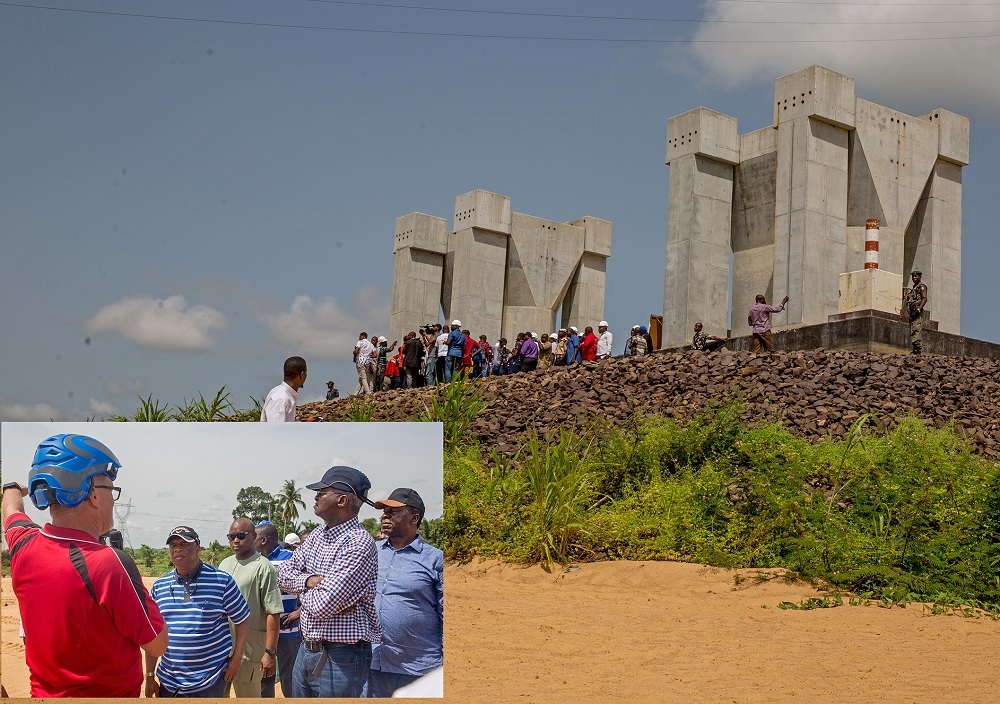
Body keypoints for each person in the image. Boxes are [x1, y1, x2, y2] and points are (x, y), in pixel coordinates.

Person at [1, 433, 168, 697]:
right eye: (111, 489)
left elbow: (10, 503)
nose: (113, 499)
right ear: (92, 494)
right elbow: (157, 644)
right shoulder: (108, 563)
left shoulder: (23, 545)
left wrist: (32, 486)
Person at [277, 466, 381, 698]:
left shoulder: (358, 544)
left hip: (342, 657)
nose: (316, 496)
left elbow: (323, 605)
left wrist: (302, 587)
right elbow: (282, 574)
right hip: (307, 649)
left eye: (323, 492)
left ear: (342, 500)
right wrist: (311, 581)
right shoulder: (316, 535)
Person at [147, 526, 251, 698]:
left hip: (210, 681)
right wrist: (150, 675)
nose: (177, 548)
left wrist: (236, 659)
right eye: (173, 545)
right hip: (170, 682)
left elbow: (243, 619)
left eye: (183, 544)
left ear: (197, 548)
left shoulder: (221, 581)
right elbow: (153, 633)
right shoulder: (159, 586)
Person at [367, 489, 443, 698]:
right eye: (384, 512)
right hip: (373, 663)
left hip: (419, 667)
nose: (384, 516)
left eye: (393, 512)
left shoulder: (435, 559)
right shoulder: (370, 552)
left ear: (414, 518)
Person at [219, 518, 284, 698]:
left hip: (250, 651)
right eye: (231, 537)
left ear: (254, 535)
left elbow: (273, 612)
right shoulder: (224, 564)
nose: (235, 541)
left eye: (241, 536)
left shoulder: (265, 568)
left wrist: (270, 652)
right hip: (223, 649)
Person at [257, 523, 302, 697]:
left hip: (288, 631)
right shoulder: (255, 560)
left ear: (263, 539)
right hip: (264, 632)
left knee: (290, 678)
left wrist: (299, 611)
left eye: (254, 536)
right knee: (264, 678)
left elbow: (315, 585)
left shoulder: (292, 557)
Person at [261, 356, 307, 422]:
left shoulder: (284, 395)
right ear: (301, 375)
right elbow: (275, 430)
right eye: (306, 372)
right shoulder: (281, 398)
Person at [902, 269, 928, 354]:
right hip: (911, 311)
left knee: (916, 328)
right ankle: (914, 348)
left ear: (920, 277)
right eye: (913, 276)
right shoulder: (913, 289)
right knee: (912, 329)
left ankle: (917, 349)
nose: (914, 277)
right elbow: (908, 300)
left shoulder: (922, 287)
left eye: (916, 276)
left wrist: (918, 309)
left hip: (917, 310)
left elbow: (924, 299)